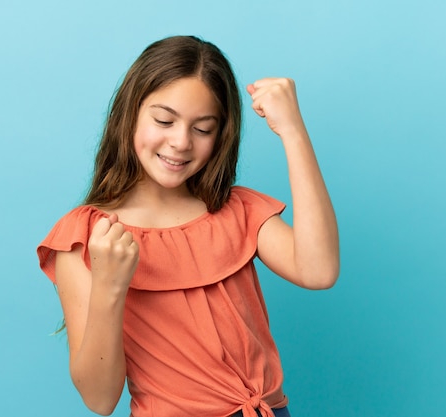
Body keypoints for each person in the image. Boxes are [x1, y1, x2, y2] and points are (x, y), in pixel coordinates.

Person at [37, 35, 339, 417]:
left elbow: (320, 270)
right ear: (129, 113)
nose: (180, 142)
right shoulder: (87, 236)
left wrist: (293, 132)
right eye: (164, 120)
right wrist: (110, 289)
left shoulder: (236, 209)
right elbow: (100, 399)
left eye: (203, 128)